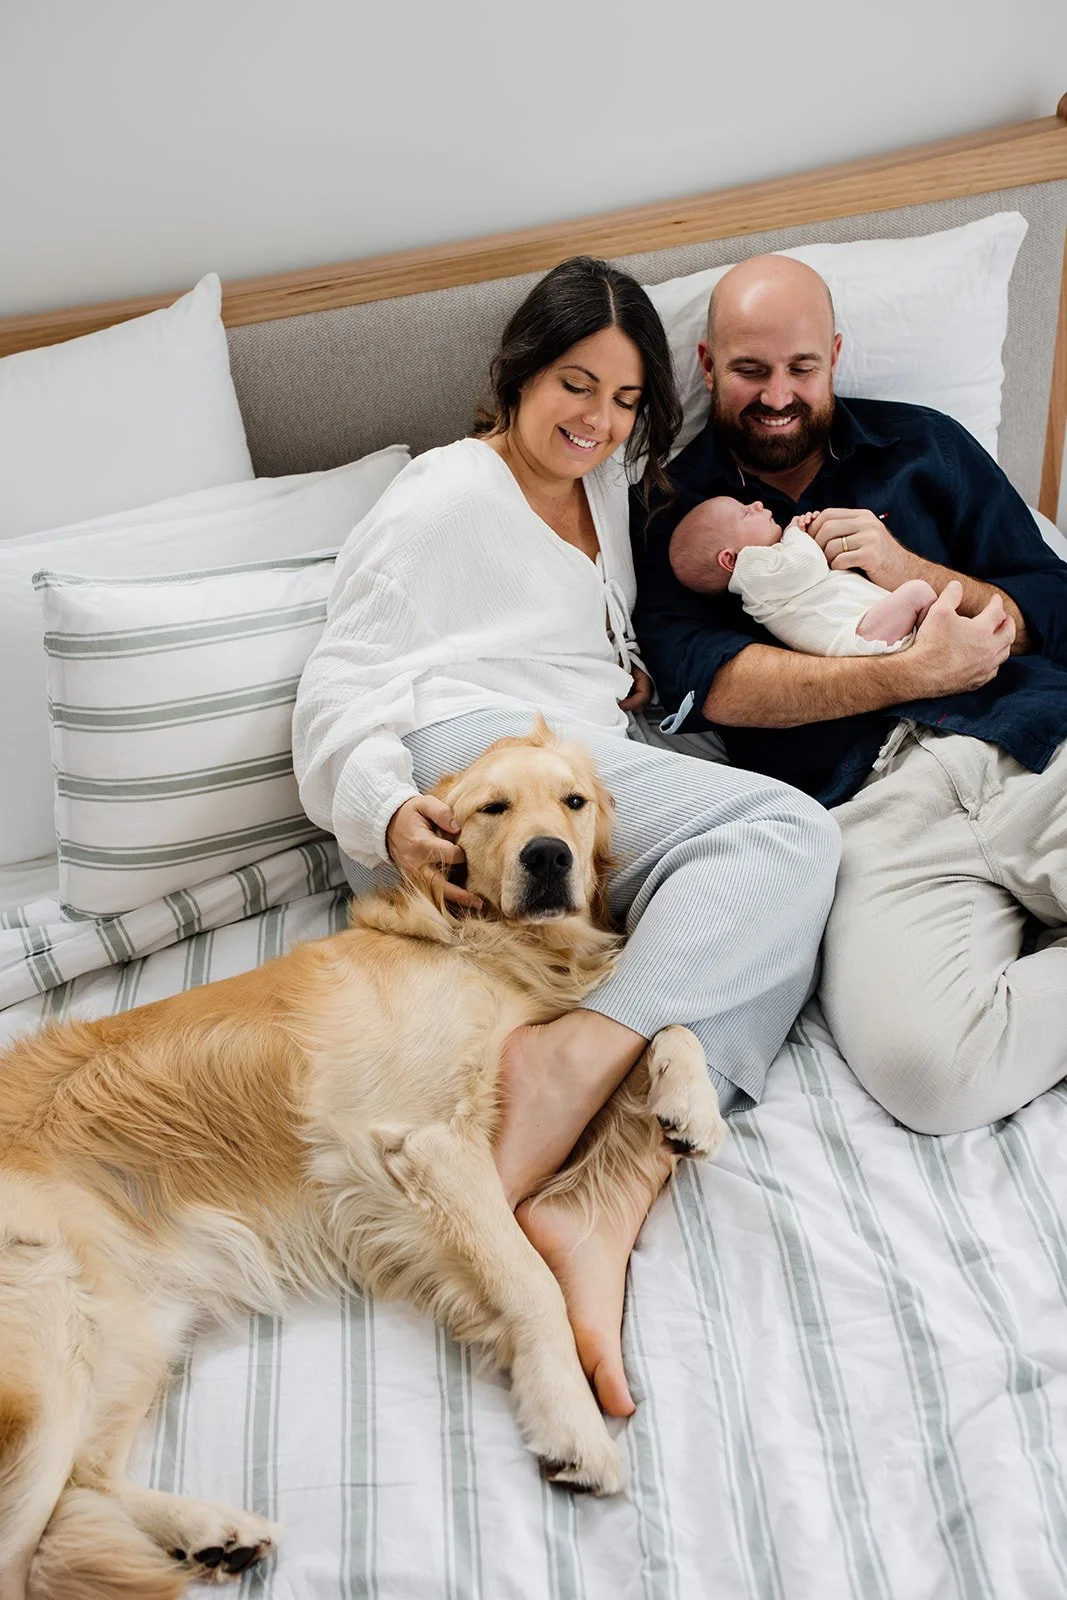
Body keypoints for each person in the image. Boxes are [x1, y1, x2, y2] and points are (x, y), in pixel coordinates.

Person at [293, 256, 840, 1416]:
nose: (597, 421)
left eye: (625, 400)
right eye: (574, 387)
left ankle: (612, 1189)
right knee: (784, 838)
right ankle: (567, 1064)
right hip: (472, 762)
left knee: (769, 881)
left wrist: (619, 681)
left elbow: (572, 630)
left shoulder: (601, 489)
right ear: (517, 373)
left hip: (577, 754)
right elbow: (337, 685)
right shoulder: (444, 496)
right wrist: (391, 813)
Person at [632, 252, 1067, 1137]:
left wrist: (914, 571)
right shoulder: (673, 514)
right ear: (710, 365)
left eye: (802, 368)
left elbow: (1053, 603)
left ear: (834, 355)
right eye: (750, 371)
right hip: (864, 811)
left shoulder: (925, 446)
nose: (778, 395)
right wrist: (905, 673)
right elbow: (712, 685)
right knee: (930, 1075)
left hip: (1022, 736)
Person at [669, 495, 937, 653]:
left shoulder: (767, 574)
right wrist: (794, 532)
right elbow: (808, 565)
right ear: (730, 559)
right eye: (745, 513)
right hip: (858, 636)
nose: (758, 504)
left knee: (931, 609)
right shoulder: (751, 572)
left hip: (867, 628)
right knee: (920, 592)